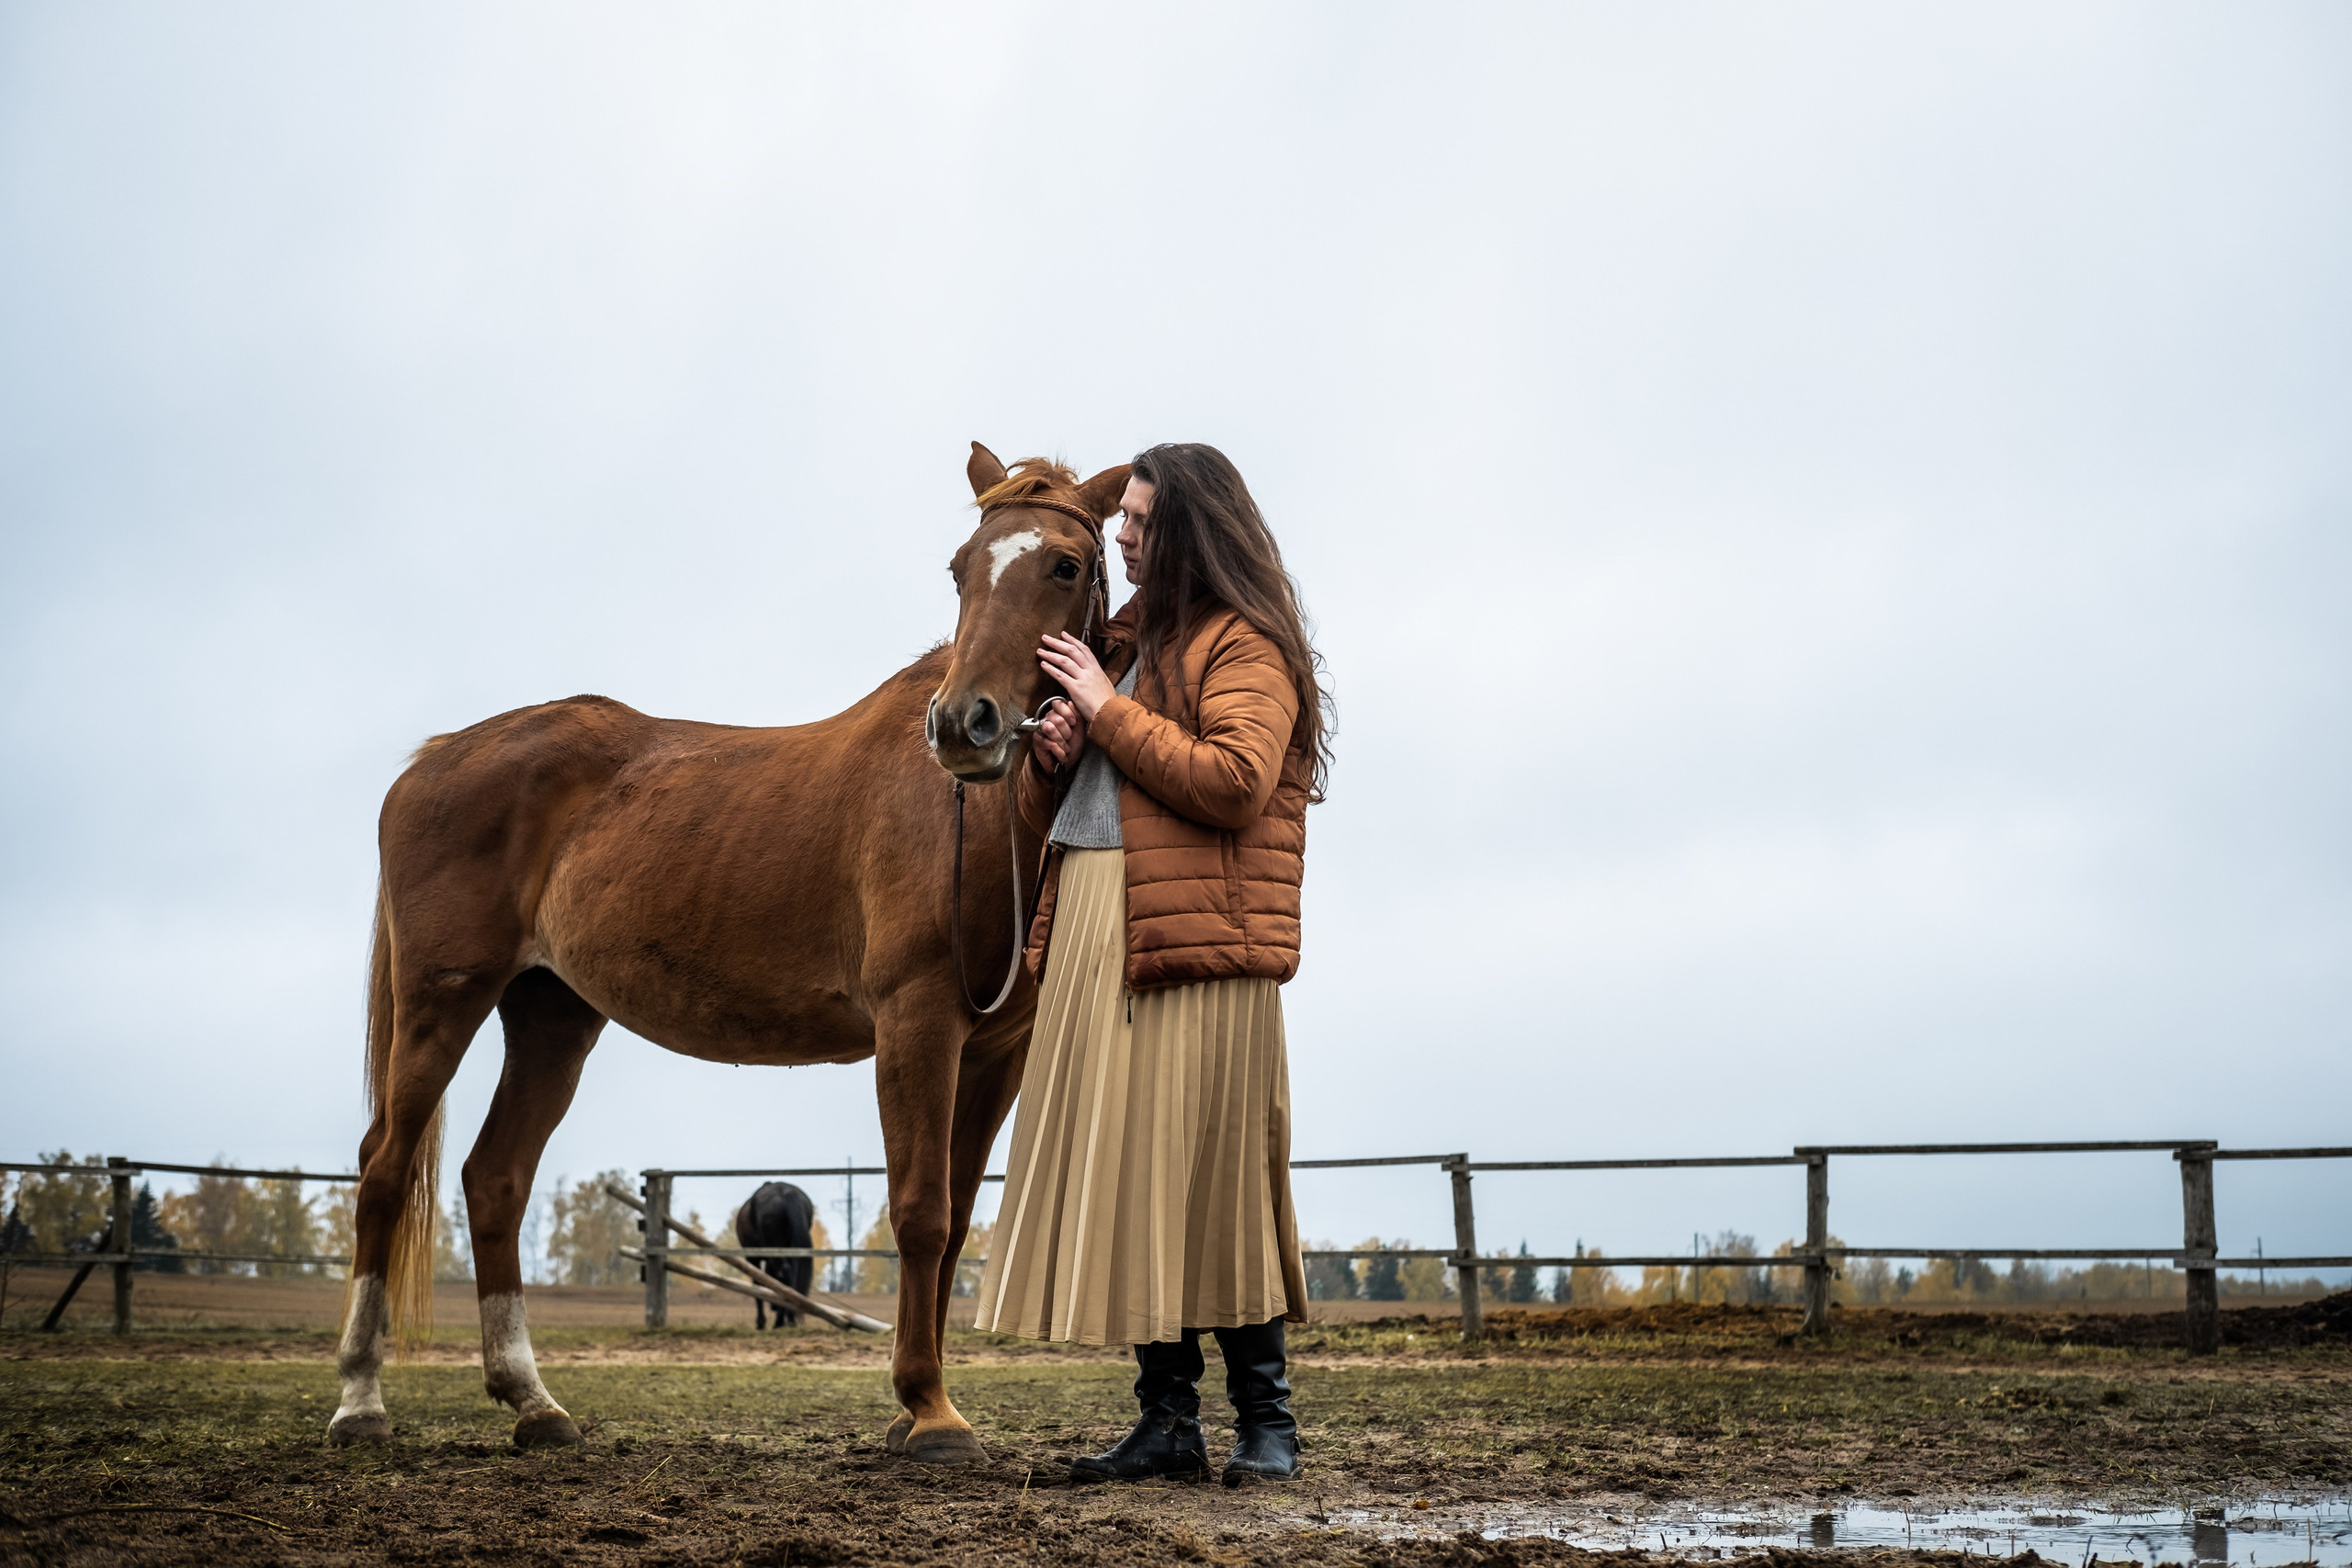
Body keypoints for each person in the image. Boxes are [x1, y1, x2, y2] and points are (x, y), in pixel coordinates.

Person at [970, 443, 1332, 1486]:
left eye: (1138, 521)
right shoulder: (1129, 644)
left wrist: (1107, 709)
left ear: (1192, 529)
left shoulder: (1245, 645)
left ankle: (1268, 1425)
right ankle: (1166, 1425)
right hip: (1095, 920)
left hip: (1195, 950)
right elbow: (1095, 799)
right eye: (1121, 519)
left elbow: (1233, 780)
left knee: (1213, 1181)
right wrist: (1056, 762)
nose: (1120, 537)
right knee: (1135, 1182)